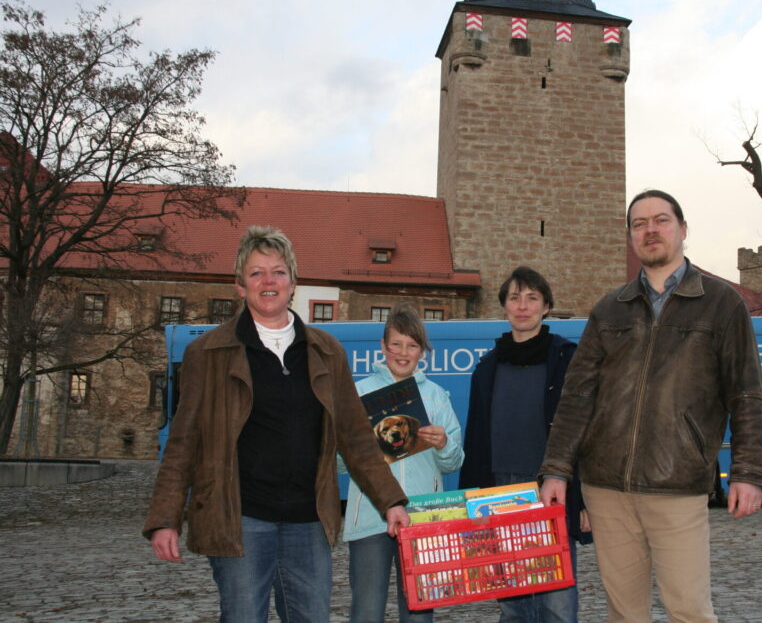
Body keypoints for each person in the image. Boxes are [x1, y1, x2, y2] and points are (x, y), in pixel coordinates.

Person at [144, 225, 409, 623]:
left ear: (293, 283)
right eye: (256, 273)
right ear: (240, 286)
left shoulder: (325, 351)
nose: (268, 281)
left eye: (278, 272)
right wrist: (165, 518)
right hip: (241, 518)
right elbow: (183, 442)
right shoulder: (208, 353)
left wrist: (391, 500)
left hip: (308, 519)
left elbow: (356, 437)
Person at [539, 190, 762, 623]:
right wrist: (556, 470)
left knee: (689, 611)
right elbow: (577, 397)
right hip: (606, 488)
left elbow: (746, 394)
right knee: (624, 614)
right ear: (630, 238)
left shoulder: (722, 305)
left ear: (682, 230)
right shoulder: (609, 310)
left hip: (677, 484)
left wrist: (748, 472)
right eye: (639, 224)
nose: (650, 230)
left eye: (661, 220)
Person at [460, 266, 592, 623]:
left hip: (553, 490)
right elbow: (475, 439)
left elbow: (584, 432)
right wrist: (470, 506)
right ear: (504, 307)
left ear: (546, 307)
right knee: (513, 605)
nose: (523, 306)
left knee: (557, 605)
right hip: (500, 493)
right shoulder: (486, 368)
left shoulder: (568, 359)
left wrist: (583, 499)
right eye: (514, 298)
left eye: (532, 298)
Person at [341, 305, 465, 623]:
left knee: (419, 614)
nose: (402, 352)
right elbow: (340, 464)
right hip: (370, 516)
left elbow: (454, 462)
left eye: (411, 345)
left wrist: (443, 444)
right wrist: (354, 449)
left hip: (423, 518)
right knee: (367, 612)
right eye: (396, 344)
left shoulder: (438, 397)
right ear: (383, 347)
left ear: (422, 351)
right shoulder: (358, 393)